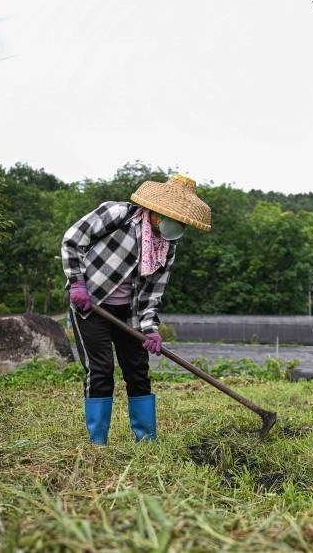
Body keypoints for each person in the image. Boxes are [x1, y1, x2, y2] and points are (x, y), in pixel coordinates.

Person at [62, 174, 211, 445]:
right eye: (174, 219)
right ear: (157, 213)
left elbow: (153, 293)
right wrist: (76, 283)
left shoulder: (168, 247)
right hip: (91, 305)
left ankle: (146, 441)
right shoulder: (117, 214)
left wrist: (150, 329)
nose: (177, 226)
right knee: (101, 369)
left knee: (138, 371)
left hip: (129, 313)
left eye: (182, 223)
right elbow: (73, 240)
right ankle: (98, 442)